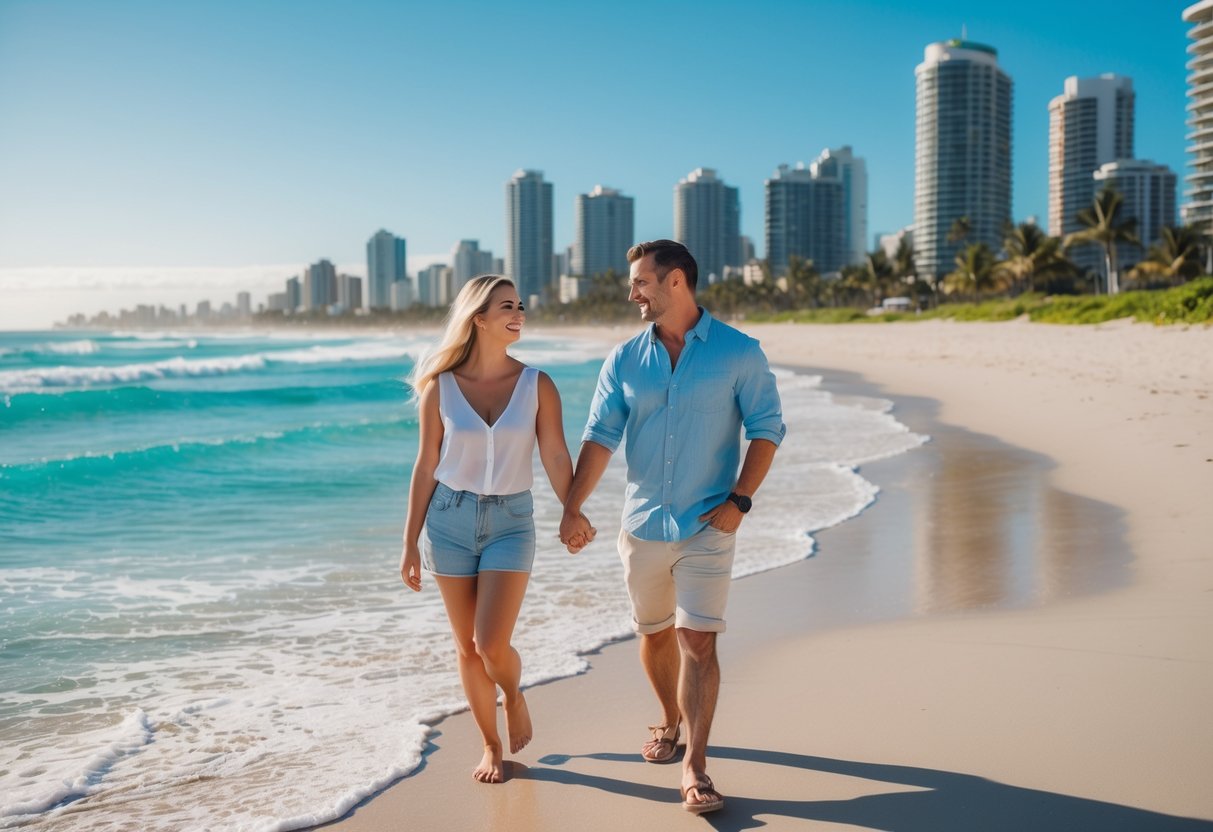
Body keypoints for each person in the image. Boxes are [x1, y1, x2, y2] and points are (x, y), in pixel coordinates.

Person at [559, 240, 784, 814]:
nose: (632, 292)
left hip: (709, 523)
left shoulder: (739, 352)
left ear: (675, 280)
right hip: (641, 524)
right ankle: (667, 719)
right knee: (654, 632)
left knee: (698, 641)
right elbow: (599, 438)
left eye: (641, 282)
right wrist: (571, 506)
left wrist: (740, 500)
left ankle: (696, 766)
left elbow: (767, 429)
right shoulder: (625, 359)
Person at [400, 274, 594, 784]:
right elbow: (425, 466)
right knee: (465, 648)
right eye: (506, 306)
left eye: (520, 305)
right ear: (478, 318)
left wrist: (571, 509)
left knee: (490, 644)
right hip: (448, 521)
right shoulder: (439, 388)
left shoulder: (537, 384)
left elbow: (554, 453)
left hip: (511, 520)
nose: (519, 313)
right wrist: (409, 542)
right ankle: (490, 745)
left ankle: (514, 692)